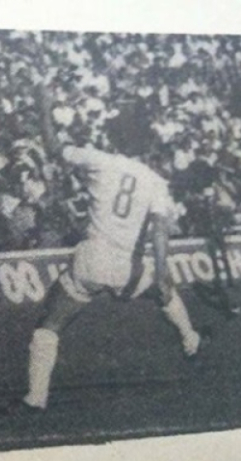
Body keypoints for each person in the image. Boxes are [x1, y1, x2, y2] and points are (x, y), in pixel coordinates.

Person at [11, 83, 206, 413]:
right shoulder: (155, 182)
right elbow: (160, 231)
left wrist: (43, 108)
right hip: (130, 267)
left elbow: (54, 148)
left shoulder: (100, 161)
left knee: (50, 324)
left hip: (93, 258)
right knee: (165, 294)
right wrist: (162, 273)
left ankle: (36, 397)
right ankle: (190, 339)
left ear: (116, 137)